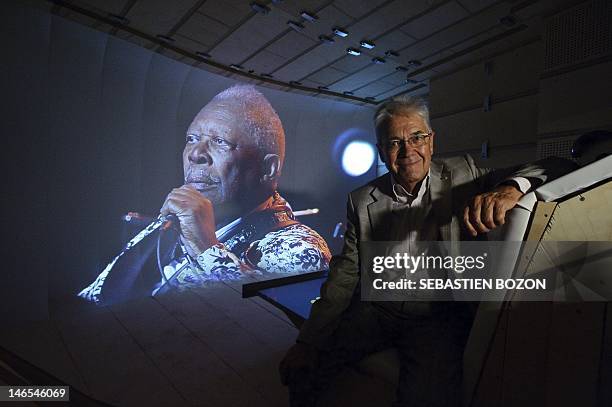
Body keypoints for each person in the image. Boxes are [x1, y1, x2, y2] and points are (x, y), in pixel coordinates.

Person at [279, 96, 575, 406]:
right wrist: (307, 341)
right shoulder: (361, 200)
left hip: (437, 318)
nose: (408, 151)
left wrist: (511, 188)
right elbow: (345, 275)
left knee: (426, 398)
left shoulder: (464, 174)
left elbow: (558, 165)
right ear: (381, 151)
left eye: (416, 137)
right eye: (395, 142)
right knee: (305, 368)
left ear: (431, 140)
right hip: (376, 310)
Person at [79, 85, 331, 304]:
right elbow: (94, 297)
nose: (195, 154)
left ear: (268, 168)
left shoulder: (301, 249)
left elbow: (270, 331)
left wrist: (205, 248)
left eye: (220, 141)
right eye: (192, 138)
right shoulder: (166, 226)